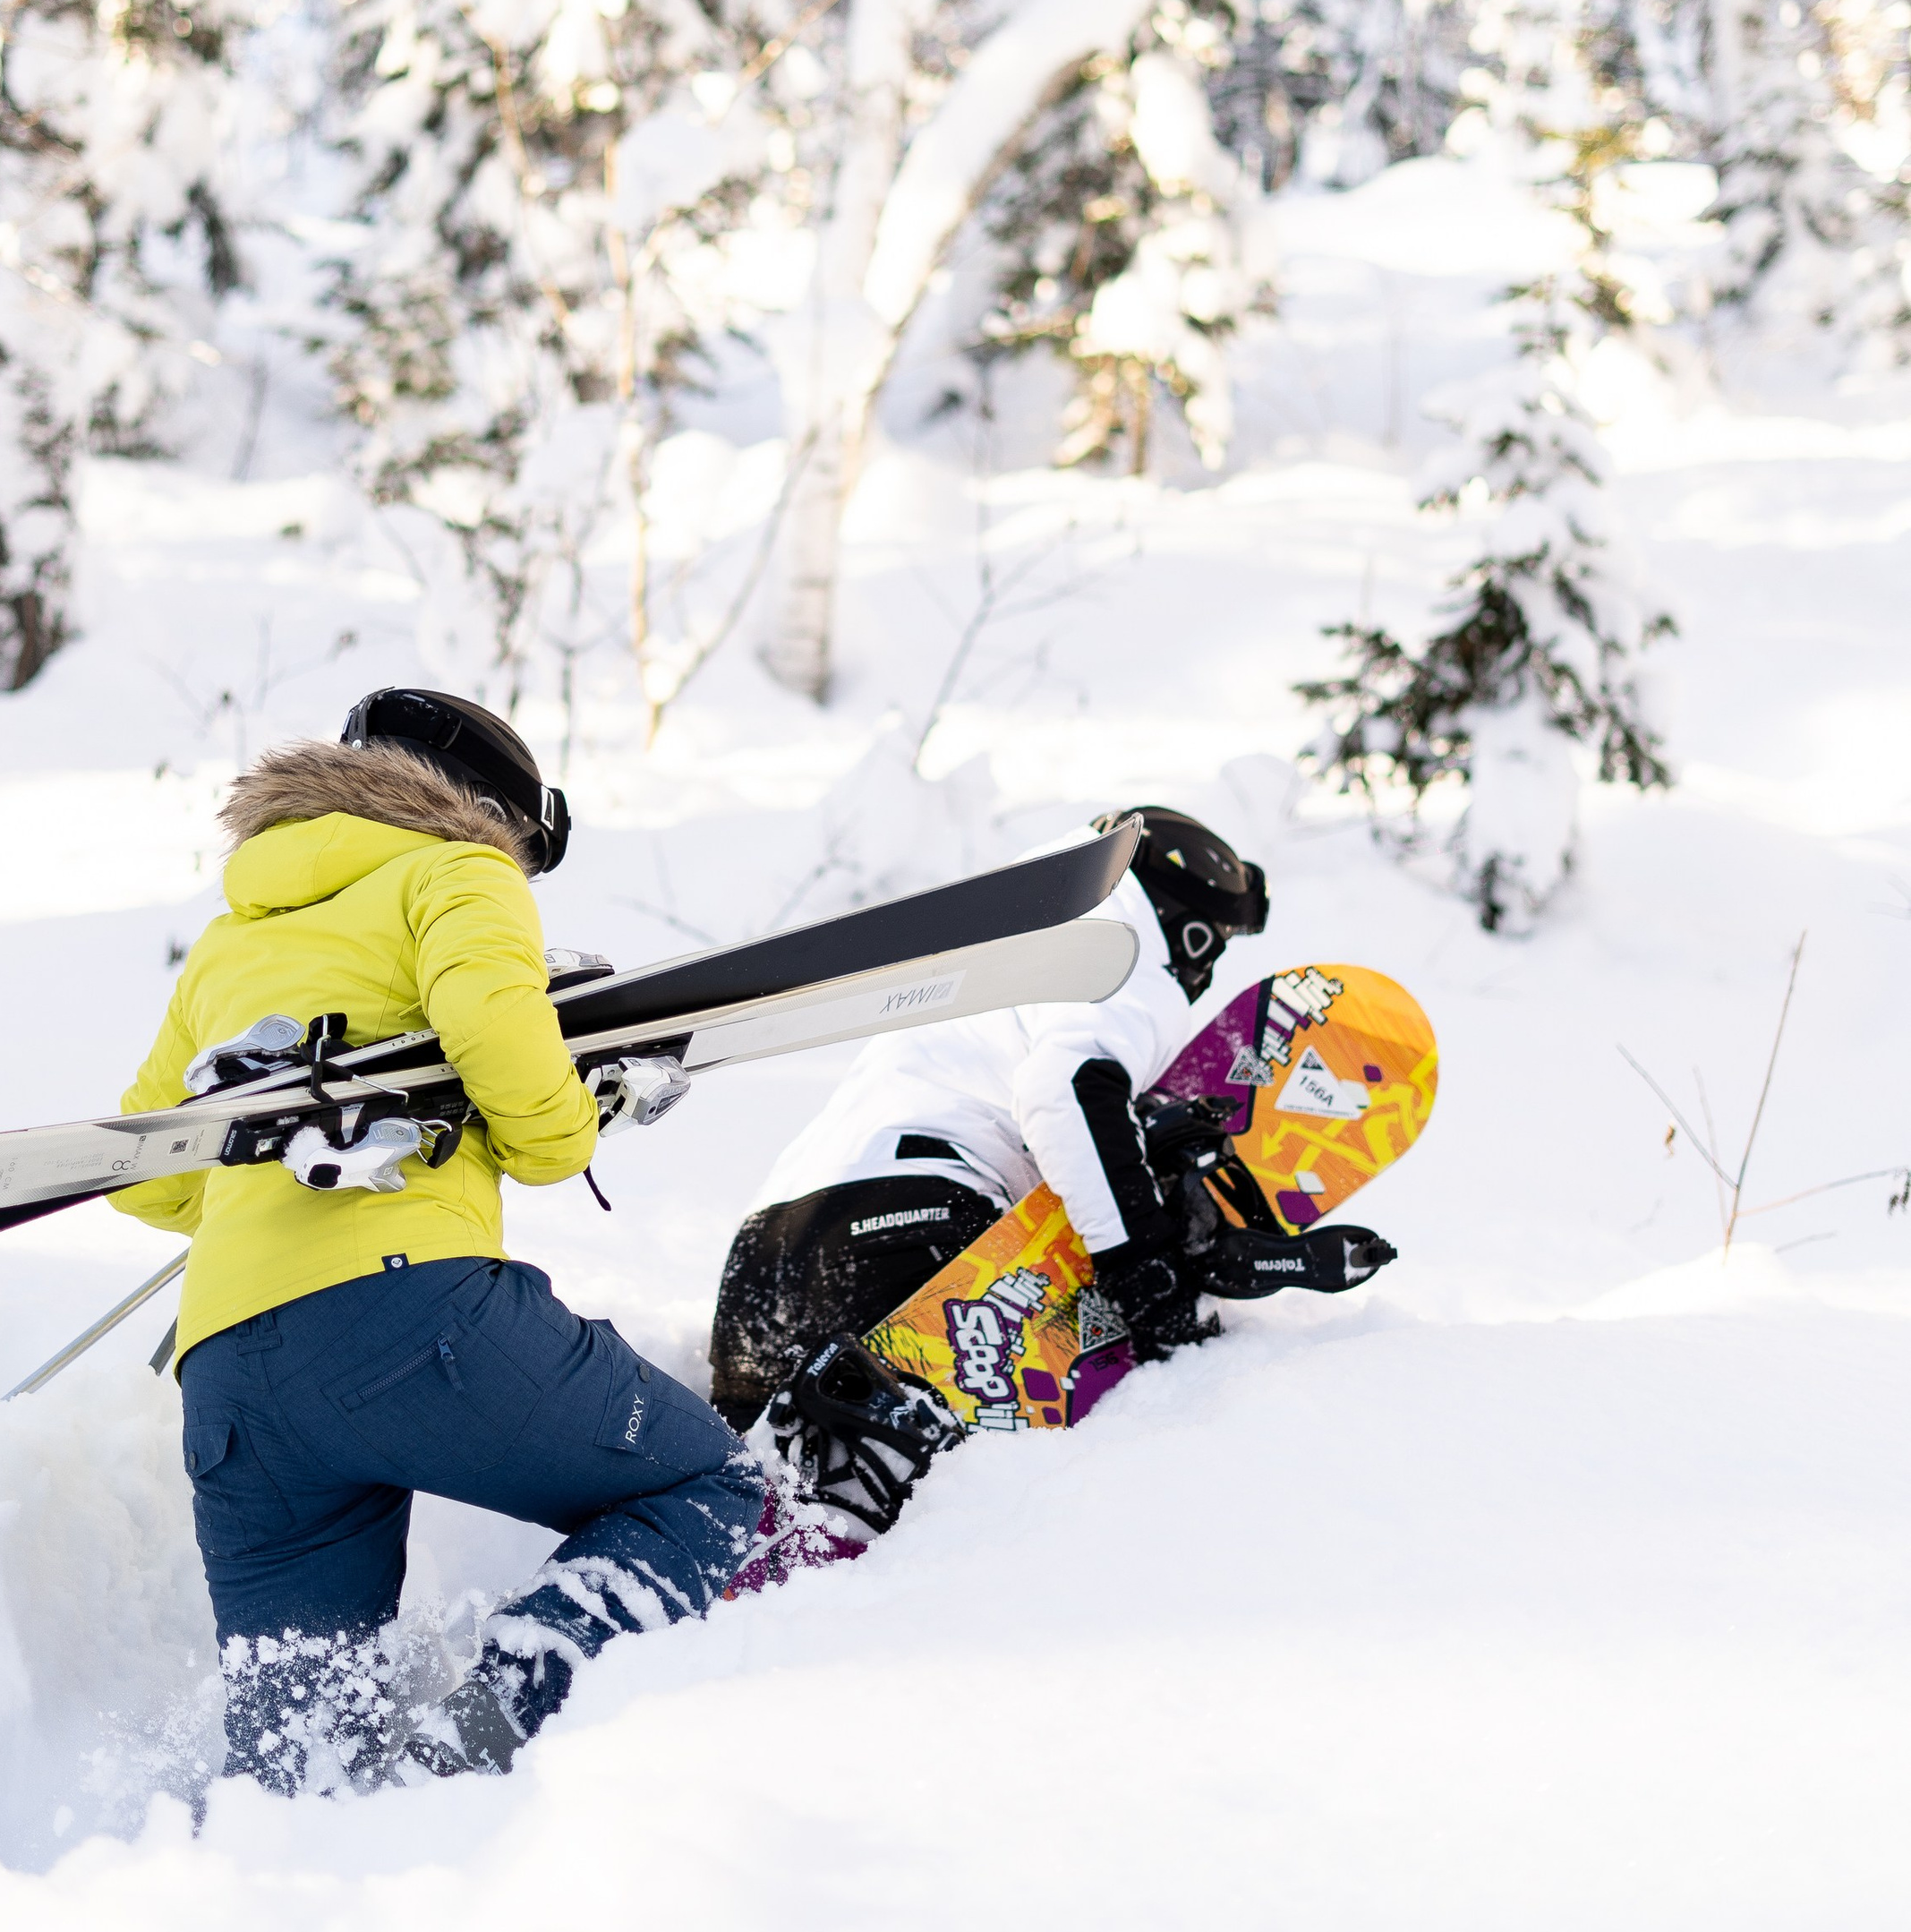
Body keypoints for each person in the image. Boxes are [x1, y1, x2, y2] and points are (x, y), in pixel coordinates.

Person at [114, 686, 764, 1791]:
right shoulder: (459, 872)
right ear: (481, 808)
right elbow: (500, 1046)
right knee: (708, 1494)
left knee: (301, 1747)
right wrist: (567, 1114)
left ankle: (278, 1880)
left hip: (230, 1377)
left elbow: (155, 1176)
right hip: (410, 1319)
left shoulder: (234, 937)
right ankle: (487, 1730)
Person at [709, 805, 1379, 1523]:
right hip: (912, 1235)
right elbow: (1069, 1090)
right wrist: (1145, 1268)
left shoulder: (1012, 949)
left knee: (770, 1525)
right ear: (1186, 922)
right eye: (1216, 938)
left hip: (765, 1267)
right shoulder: (1119, 954)